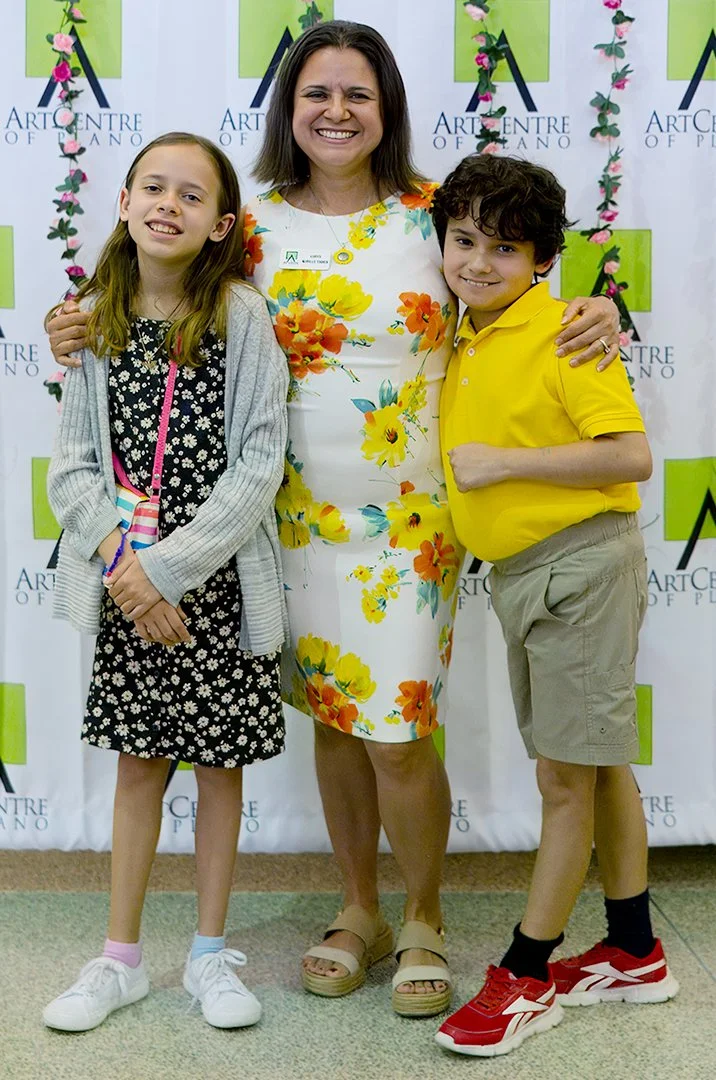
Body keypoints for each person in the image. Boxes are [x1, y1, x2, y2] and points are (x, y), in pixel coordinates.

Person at [46, 21, 620, 1019]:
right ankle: (356, 910)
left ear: (386, 108)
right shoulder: (251, 221)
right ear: (289, 108)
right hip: (283, 523)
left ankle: (425, 915)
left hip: (409, 523)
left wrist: (596, 312)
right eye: (318, 92)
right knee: (337, 723)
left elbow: (511, 285)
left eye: (358, 93)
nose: (336, 110)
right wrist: (72, 318)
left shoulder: (430, 212)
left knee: (398, 731)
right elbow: (162, 294)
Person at [431, 153, 678, 1057]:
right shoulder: (470, 330)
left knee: (564, 778)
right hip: (527, 577)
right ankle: (635, 949)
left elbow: (629, 456)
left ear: (540, 260)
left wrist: (505, 464)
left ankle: (527, 972)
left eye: (504, 248)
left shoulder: (565, 334)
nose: (477, 262)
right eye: (463, 241)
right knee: (597, 762)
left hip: (579, 569)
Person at [43, 133, 289, 1033]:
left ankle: (210, 956)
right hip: (125, 588)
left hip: (213, 587)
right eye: (154, 187)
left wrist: (168, 572)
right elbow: (70, 468)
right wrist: (124, 569)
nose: (168, 205)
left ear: (220, 223)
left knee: (220, 771)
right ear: (122, 200)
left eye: (192, 197)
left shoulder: (241, 316)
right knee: (138, 767)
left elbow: (260, 459)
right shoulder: (93, 319)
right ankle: (119, 961)